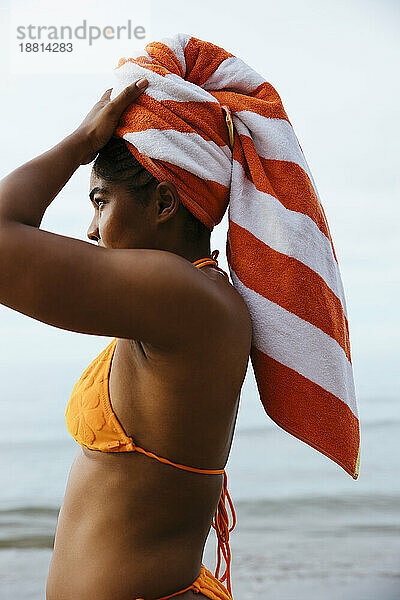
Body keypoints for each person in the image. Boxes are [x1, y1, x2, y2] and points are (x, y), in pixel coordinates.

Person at [0, 78, 252, 599]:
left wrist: (81, 141)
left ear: (163, 203)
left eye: (101, 200)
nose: (92, 230)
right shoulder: (188, 301)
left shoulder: (185, 297)